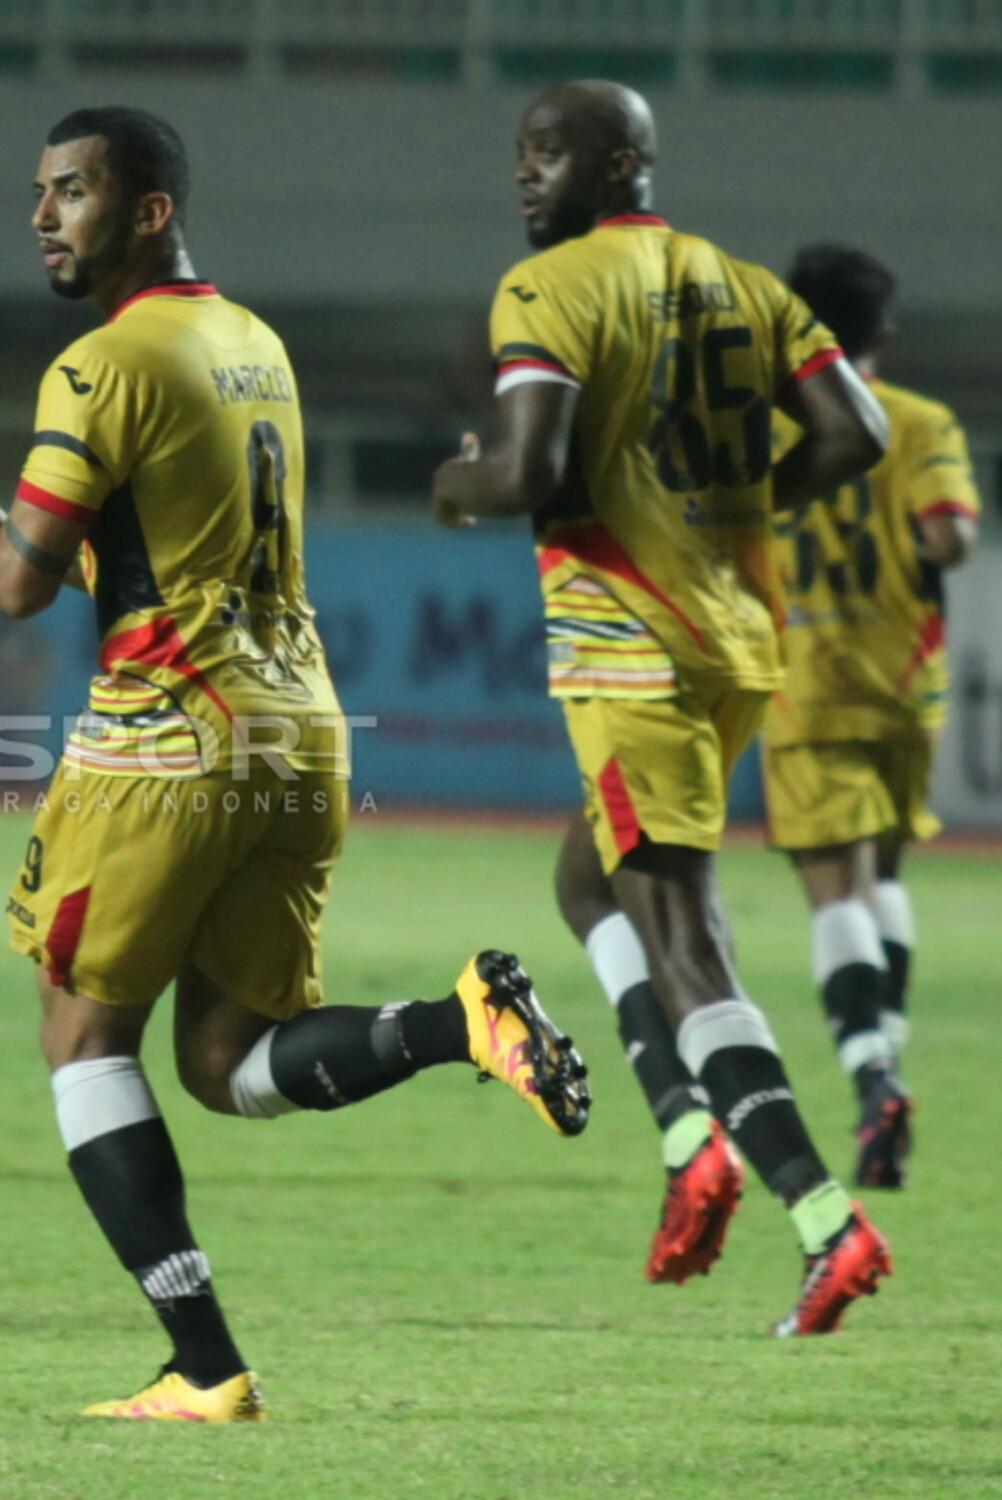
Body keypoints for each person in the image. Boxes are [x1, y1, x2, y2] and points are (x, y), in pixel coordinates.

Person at [0, 106, 589, 1423]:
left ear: (146, 209)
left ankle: (203, 1367)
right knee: (223, 1061)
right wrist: (11, 536)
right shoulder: (251, 344)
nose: (43, 214)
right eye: (38, 193)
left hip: (168, 734)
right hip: (298, 727)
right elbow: (165, 553)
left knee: (81, 1031)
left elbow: (21, 591)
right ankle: (458, 1024)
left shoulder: (97, 366)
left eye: (73, 191)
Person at [431, 81, 892, 1335]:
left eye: (549, 155)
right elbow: (855, 433)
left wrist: (459, 484)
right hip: (737, 638)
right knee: (590, 883)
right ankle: (690, 1134)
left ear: (622, 162)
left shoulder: (551, 289)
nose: (525, 176)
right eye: (519, 155)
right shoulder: (750, 284)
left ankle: (823, 1219)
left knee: (683, 936)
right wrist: (738, 509)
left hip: (630, 646)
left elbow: (531, 469)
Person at [762, 244, 982, 1188]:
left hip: (806, 680)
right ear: (884, 334)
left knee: (833, 890)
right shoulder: (922, 422)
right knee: (883, 871)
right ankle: (885, 1060)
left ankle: (871, 1073)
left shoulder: (769, 431)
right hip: (905, 682)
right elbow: (952, 538)